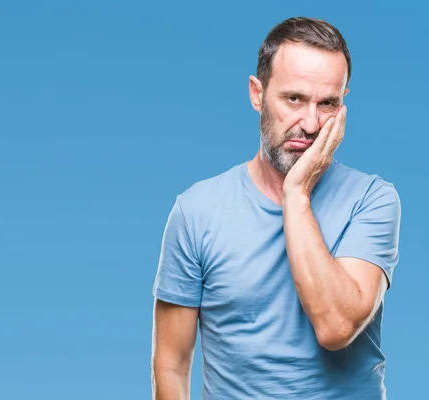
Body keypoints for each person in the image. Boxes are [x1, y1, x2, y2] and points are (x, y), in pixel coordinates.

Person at [151, 16, 401, 400]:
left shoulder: (373, 200)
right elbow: (171, 362)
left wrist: (296, 193)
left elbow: (335, 327)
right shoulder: (196, 212)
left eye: (328, 103)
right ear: (257, 93)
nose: (311, 123)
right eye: (294, 99)